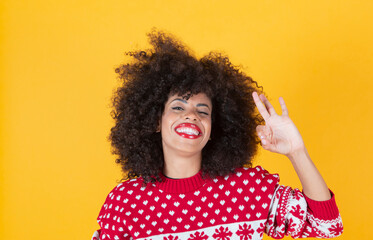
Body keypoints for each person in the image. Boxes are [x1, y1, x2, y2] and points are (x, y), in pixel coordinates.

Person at [91, 29, 343, 240]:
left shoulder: (247, 188)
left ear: (214, 130)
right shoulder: (125, 203)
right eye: (178, 107)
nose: (191, 116)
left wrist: (296, 152)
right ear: (155, 121)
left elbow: (326, 226)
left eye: (203, 111)